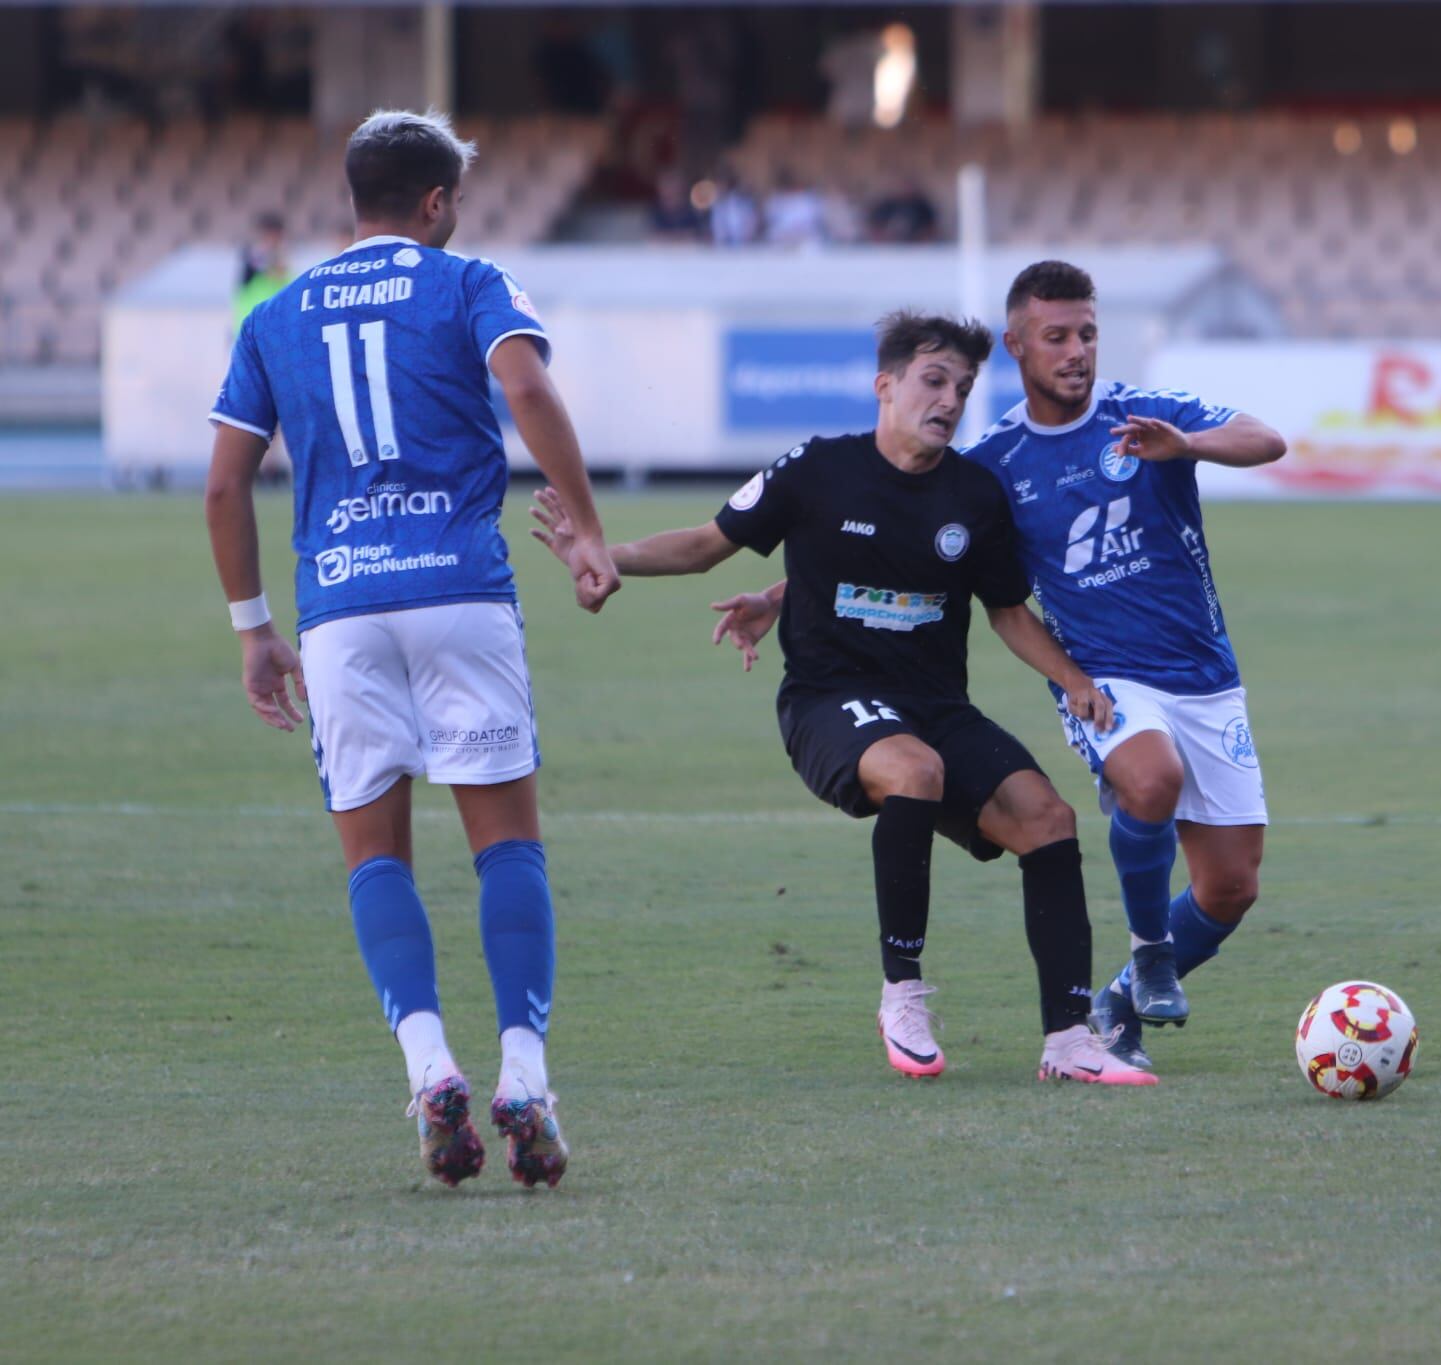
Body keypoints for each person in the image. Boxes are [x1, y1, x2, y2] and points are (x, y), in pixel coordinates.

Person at [529, 311, 1154, 1087]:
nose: (951, 399)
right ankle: (902, 994)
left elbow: (1005, 609)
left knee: (1048, 819)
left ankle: (1068, 1041)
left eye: (962, 387)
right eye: (933, 380)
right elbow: (703, 544)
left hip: (935, 704)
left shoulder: (975, 495)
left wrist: (1073, 678)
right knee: (915, 769)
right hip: (829, 701)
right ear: (884, 386)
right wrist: (603, 555)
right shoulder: (817, 469)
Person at [714, 261, 1287, 1072]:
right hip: (1100, 675)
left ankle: (1118, 998)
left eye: (1088, 333)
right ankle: (1149, 951)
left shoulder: (1143, 415)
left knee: (1231, 887)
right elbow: (907, 541)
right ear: (1018, 346)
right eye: (1057, 336)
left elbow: (1269, 439)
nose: (1078, 350)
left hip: (1204, 673)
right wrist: (784, 591)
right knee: (1149, 779)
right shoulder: (995, 464)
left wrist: (1185, 445)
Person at [204, 109, 620, 1190]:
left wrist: (254, 628)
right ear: (436, 202)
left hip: (338, 610)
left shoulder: (277, 309)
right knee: (505, 845)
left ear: (357, 195)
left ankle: (428, 1064)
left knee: (375, 856)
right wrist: (580, 525)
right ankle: (523, 1074)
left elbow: (222, 481)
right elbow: (525, 386)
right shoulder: (467, 279)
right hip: (459, 592)